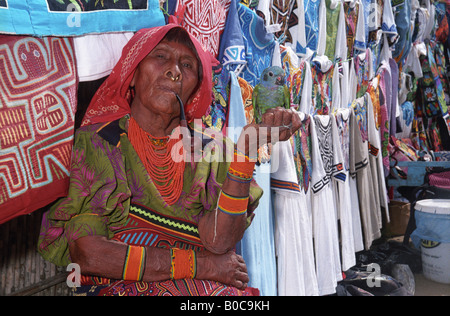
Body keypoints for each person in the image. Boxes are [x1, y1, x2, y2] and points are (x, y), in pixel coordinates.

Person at [38, 24, 301, 296]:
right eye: (160, 56)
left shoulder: (214, 150)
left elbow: (220, 242)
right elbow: (88, 254)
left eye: (187, 64)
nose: (174, 70)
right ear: (132, 74)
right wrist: (201, 266)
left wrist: (245, 154)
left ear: (196, 87)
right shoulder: (97, 143)